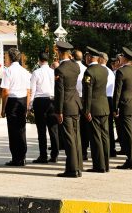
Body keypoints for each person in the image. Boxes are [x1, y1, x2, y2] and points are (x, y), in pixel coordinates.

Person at [54, 40, 83, 177]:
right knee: (76, 137)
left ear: (60, 53)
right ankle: (78, 167)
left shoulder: (60, 69)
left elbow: (59, 92)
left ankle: (72, 169)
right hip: (75, 103)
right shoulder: (75, 66)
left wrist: (58, 111)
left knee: (69, 138)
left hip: (65, 105)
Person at [0, 48, 32, 166]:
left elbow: (5, 91)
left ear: (10, 57)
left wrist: (3, 108)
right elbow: (28, 91)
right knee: (22, 129)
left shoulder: (8, 71)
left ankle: (15, 157)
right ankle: (22, 156)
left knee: (13, 130)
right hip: (22, 100)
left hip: (12, 101)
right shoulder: (25, 71)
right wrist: (27, 106)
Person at [82, 48, 111, 173]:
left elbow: (88, 92)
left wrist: (86, 110)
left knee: (95, 137)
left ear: (89, 57)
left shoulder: (89, 71)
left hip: (93, 108)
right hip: (104, 106)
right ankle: (106, 164)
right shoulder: (104, 70)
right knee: (104, 136)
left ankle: (99, 166)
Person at [113, 47, 132, 169]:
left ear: (124, 58)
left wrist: (115, 107)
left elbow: (117, 91)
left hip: (125, 104)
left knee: (129, 134)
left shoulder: (121, 71)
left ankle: (131, 161)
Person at [29, 52, 58, 164]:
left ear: (39, 60)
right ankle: (54, 154)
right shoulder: (53, 72)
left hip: (40, 101)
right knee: (53, 129)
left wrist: (30, 105)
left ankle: (43, 155)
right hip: (52, 100)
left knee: (41, 130)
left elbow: (33, 90)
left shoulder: (36, 72)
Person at [106, 54, 118, 157]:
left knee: (106, 126)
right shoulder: (110, 72)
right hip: (110, 98)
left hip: (105, 98)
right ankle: (111, 149)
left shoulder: (106, 71)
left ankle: (108, 148)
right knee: (109, 126)